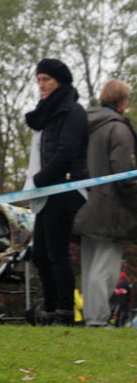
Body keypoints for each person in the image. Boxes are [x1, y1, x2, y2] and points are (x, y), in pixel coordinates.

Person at [23, 58, 88, 326]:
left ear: (59, 81)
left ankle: (64, 313)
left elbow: (65, 152)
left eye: (46, 79)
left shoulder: (73, 111)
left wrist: (39, 180)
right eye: (38, 80)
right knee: (40, 254)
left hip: (65, 188)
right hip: (46, 190)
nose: (41, 85)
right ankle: (49, 310)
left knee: (57, 253)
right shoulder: (46, 114)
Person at [72, 78, 137, 327]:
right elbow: (126, 174)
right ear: (122, 101)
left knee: (90, 267)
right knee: (106, 267)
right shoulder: (118, 129)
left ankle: (91, 316)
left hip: (85, 204)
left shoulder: (86, 126)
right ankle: (98, 320)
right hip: (111, 209)